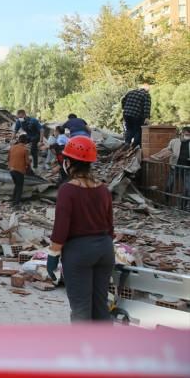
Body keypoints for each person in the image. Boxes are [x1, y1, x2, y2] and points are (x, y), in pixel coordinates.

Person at [47, 136, 114, 321]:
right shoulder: (103, 189)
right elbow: (110, 226)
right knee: (101, 307)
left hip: (79, 252)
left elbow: (60, 229)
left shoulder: (67, 190)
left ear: (68, 162)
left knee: (81, 309)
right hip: (105, 250)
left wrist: (52, 256)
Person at [162, 126, 190, 210]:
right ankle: (166, 202)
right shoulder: (174, 141)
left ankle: (183, 206)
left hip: (187, 169)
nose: (188, 136)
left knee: (187, 188)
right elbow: (168, 150)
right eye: (187, 134)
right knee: (169, 185)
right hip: (175, 167)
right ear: (182, 133)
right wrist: (161, 155)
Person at [121, 84, 151, 148]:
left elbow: (123, 100)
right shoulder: (146, 95)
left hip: (126, 114)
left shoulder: (131, 92)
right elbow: (146, 107)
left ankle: (127, 143)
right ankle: (135, 146)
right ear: (147, 90)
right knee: (138, 130)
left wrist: (125, 108)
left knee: (129, 129)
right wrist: (146, 117)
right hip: (136, 115)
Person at [8, 134, 30, 207]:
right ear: (26, 141)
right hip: (19, 170)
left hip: (11, 169)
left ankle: (13, 201)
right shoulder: (25, 149)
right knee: (19, 187)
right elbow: (27, 162)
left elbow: (8, 158)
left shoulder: (12, 147)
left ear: (19, 140)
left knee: (17, 185)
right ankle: (16, 203)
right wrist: (29, 169)